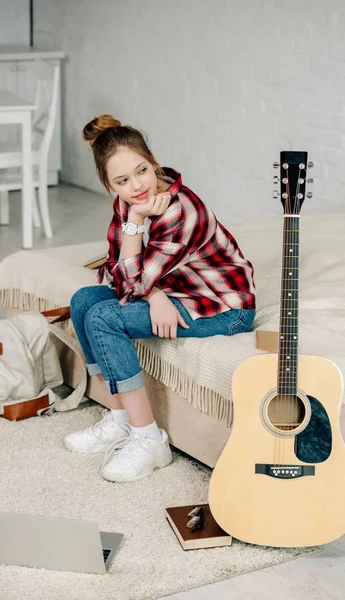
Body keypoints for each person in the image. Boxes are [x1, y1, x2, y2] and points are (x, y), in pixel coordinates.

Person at [64, 114, 256, 483]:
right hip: (174, 289)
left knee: (104, 317)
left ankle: (149, 438)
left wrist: (144, 280)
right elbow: (116, 267)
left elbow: (129, 280)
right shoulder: (131, 202)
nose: (137, 185)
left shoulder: (180, 211)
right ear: (109, 184)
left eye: (142, 170)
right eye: (122, 180)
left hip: (222, 306)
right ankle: (120, 419)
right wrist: (154, 296)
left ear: (153, 160)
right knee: (84, 301)